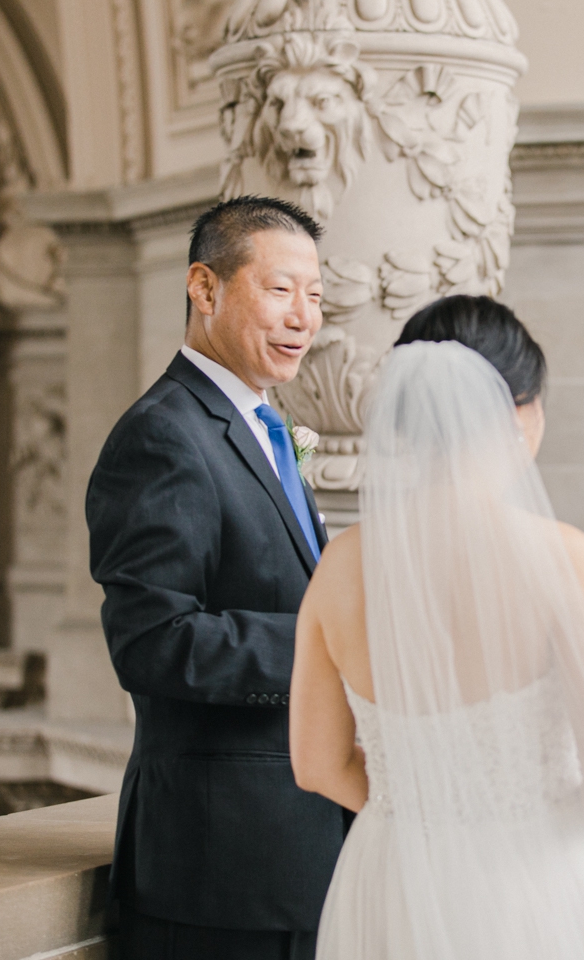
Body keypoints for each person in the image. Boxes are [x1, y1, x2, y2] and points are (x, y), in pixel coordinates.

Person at [288, 295, 584, 960]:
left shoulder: (340, 566)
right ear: (517, 413)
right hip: (536, 881)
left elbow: (315, 764)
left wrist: (423, 814)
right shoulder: (561, 557)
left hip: (394, 878)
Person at [87, 196, 345, 960]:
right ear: (205, 287)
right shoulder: (163, 435)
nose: (304, 317)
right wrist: (335, 648)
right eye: (279, 290)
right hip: (218, 871)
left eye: (316, 296)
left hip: (299, 855)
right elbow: (152, 641)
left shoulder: (266, 430)